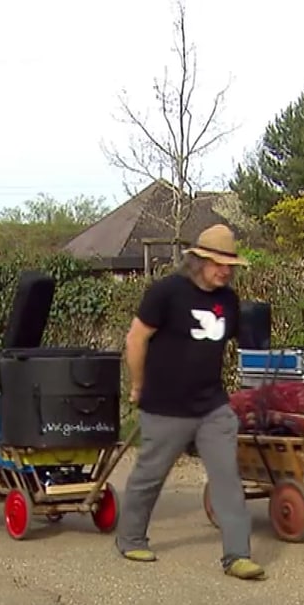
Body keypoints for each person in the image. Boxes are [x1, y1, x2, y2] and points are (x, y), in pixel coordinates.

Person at [114, 224, 266, 580]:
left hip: (212, 405)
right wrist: (138, 385)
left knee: (227, 478)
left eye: (231, 265)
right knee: (150, 475)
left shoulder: (228, 300)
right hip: (165, 404)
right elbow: (136, 339)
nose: (225, 271)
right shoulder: (166, 293)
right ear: (198, 260)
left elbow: (236, 344)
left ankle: (237, 556)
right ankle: (131, 537)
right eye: (218, 264)